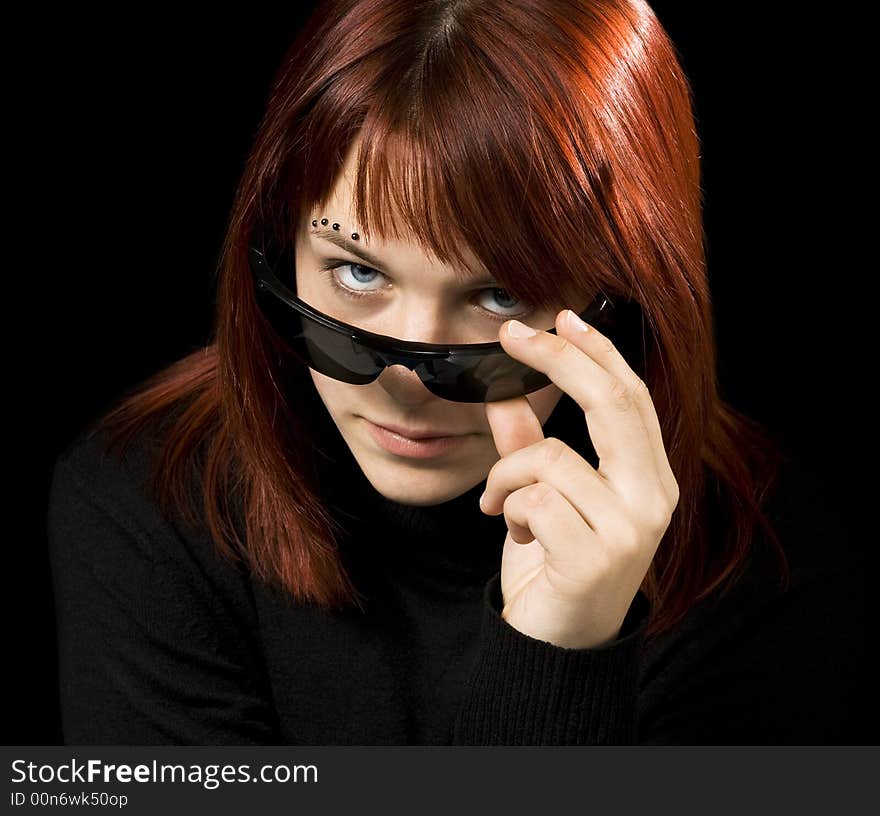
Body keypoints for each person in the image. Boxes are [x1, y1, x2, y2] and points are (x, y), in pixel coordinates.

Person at [47, 0, 866, 744]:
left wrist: (559, 648)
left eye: (499, 293)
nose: (405, 374)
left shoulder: (767, 555)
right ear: (279, 244)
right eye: (357, 272)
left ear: (620, 300)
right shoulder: (150, 500)